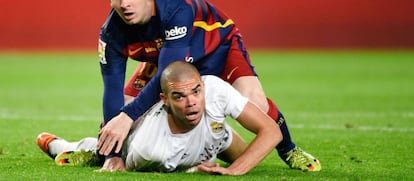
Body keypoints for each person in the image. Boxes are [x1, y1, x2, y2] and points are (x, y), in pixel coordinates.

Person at [96, 0, 321, 172]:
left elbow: (167, 73)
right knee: (125, 106)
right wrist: (112, 155)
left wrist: (126, 117)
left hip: (216, 47)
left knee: (256, 102)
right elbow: (112, 92)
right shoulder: (110, 34)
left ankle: (289, 149)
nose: (124, 3)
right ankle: (100, 151)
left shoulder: (175, 6)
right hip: (168, 56)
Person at [37, 61, 281, 175]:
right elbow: (182, 168)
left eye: (196, 91)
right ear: (165, 99)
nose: (192, 101)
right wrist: (196, 168)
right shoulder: (150, 149)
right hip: (134, 144)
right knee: (105, 152)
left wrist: (236, 170)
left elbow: (272, 131)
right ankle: (68, 147)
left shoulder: (215, 88)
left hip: (214, 136)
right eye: (179, 96)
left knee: (247, 156)